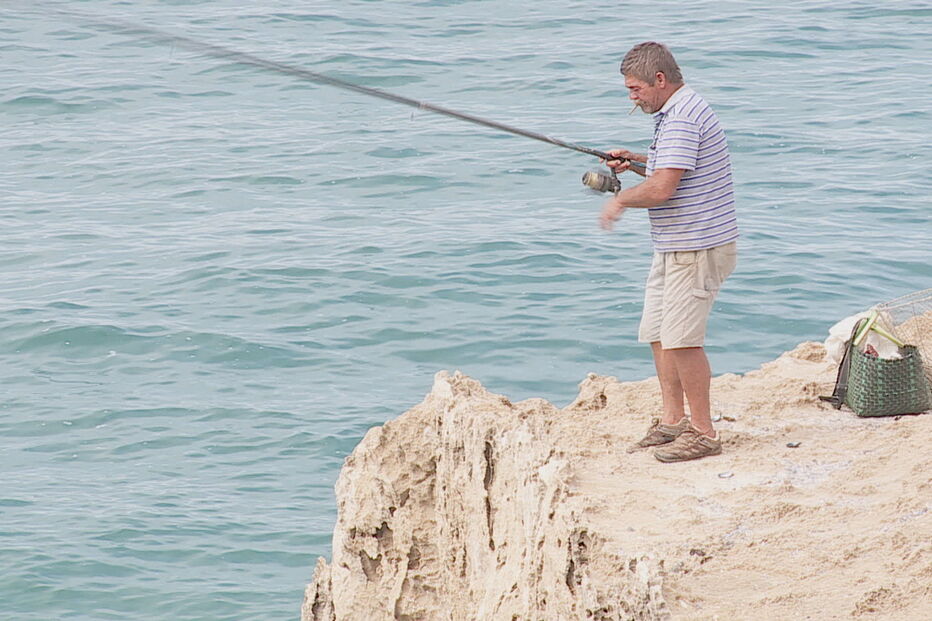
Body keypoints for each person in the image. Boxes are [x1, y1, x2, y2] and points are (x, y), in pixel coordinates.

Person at [600, 41, 738, 462]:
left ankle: (704, 433)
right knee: (660, 334)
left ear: (659, 80)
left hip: (697, 246)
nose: (632, 97)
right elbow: (672, 168)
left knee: (683, 342)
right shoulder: (678, 111)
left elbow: (662, 188)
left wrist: (620, 201)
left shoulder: (681, 118)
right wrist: (636, 161)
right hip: (675, 245)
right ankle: (673, 420)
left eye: (635, 89)